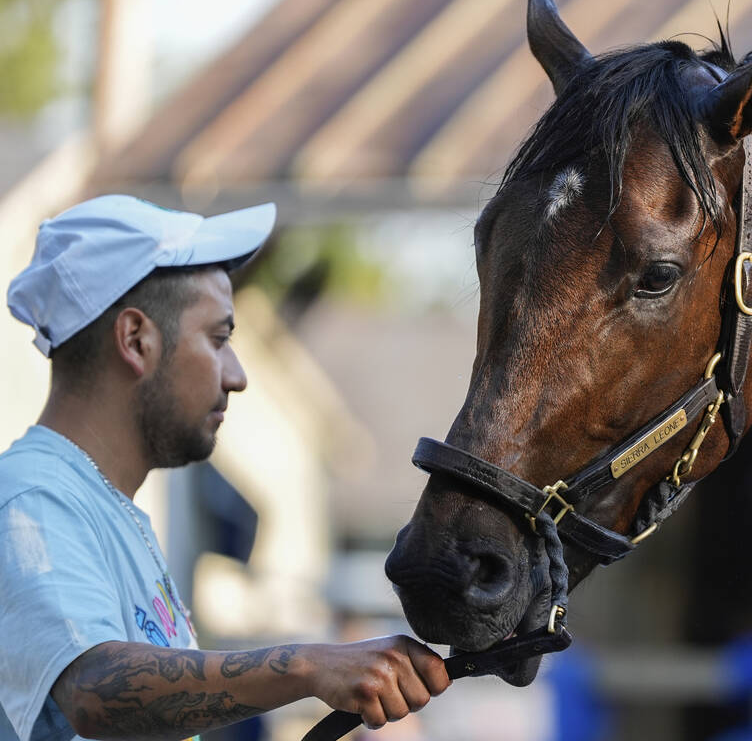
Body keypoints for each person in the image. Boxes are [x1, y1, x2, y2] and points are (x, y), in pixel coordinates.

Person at [0, 195, 449, 741]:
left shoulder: (108, 514)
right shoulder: (33, 498)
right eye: (218, 339)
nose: (236, 375)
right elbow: (92, 692)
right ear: (136, 340)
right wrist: (309, 666)